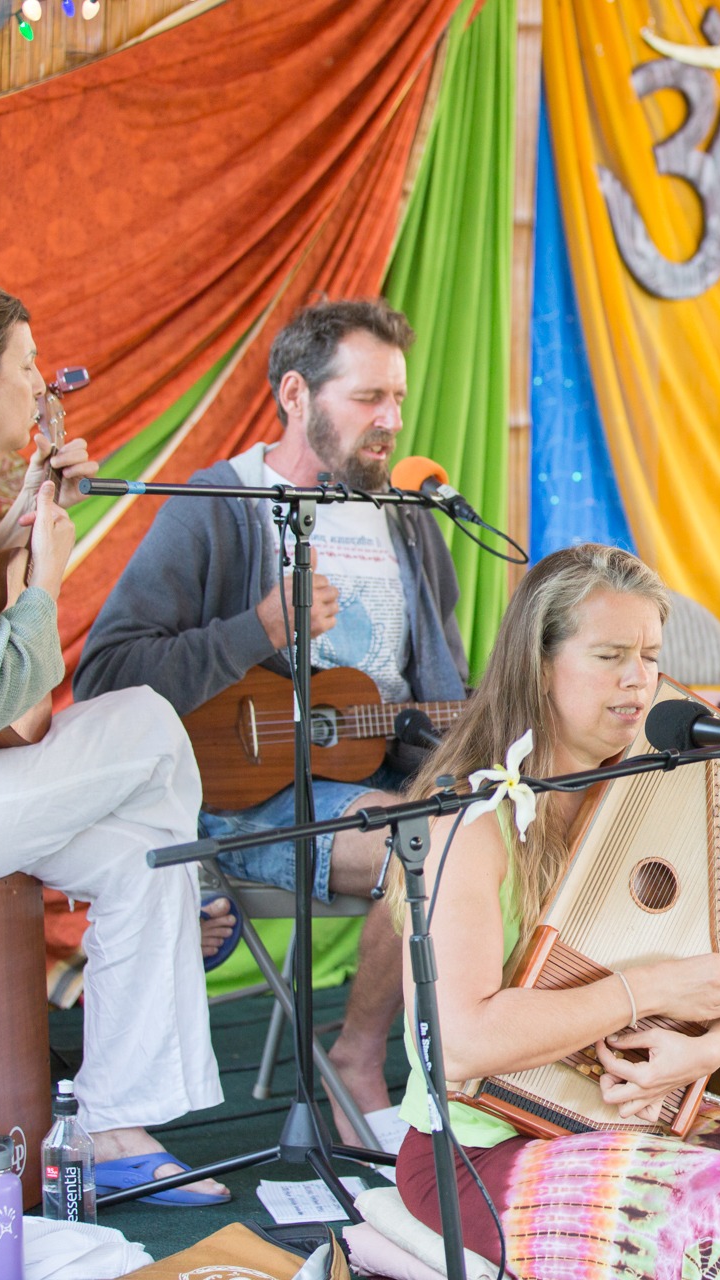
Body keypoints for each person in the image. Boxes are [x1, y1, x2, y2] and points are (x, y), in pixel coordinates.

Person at [391, 543, 720, 1277]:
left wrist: (705, 1051)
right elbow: (459, 1043)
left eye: (651, 656)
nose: (640, 680)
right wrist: (653, 990)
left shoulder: (677, 785)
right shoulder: (472, 821)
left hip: (643, 1112)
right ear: (539, 664)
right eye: (610, 655)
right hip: (482, 1145)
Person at [75, 298, 470, 1139]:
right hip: (253, 796)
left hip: (387, 783)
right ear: (295, 393)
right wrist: (258, 630)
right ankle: (359, 1055)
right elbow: (107, 674)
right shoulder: (218, 505)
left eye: (397, 400)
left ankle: (502, 1076)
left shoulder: (410, 521)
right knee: (433, 846)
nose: (390, 423)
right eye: (367, 399)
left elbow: (444, 690)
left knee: (511, 819)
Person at [0, 282, 229, 1204]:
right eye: (29, 366)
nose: (43, 384)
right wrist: (45, 573)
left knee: (135, 856)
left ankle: (115, 1124)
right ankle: (117, 1115)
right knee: (153, 730)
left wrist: (7, 529)